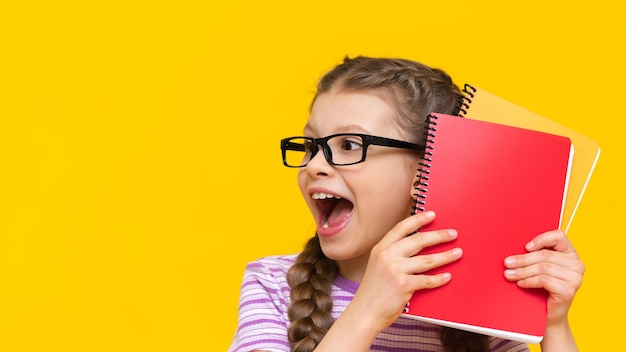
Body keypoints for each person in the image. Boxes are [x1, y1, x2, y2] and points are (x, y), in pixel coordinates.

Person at [228, 56, 584, 352]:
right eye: (310, 146)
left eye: (349, 145)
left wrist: (553, 325)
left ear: (425, 169)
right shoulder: (273, 285)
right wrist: (367, 311)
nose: (315, 165)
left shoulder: (482, 305)